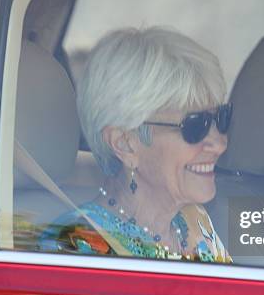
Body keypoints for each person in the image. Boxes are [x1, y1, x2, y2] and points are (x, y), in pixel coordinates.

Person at [40, 27, 232, 262]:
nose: (220, 143)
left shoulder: (194, 221)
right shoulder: (73, 248)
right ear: (125, 145)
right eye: (195, 126)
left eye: (220, 118)